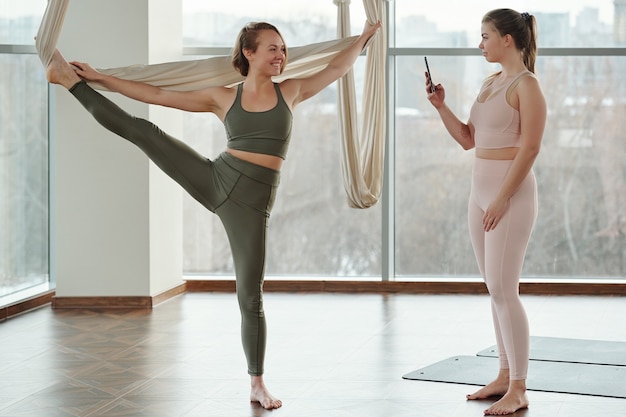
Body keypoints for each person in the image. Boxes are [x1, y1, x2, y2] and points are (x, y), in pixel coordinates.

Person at [45, 20, 381, 410]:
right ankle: (69, 81)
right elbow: (156, 93)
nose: (281, 55)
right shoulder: (223, 97)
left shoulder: (292, 90)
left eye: (283, 48)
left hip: (252, 206)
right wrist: (102, 78)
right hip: (216, 178)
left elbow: (336, 69)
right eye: (272, 48)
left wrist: (363, 38)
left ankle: (257, 382)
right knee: (145, 132)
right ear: (249, 54)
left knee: (249, 295)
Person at [425, 9, 546, 416]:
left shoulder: (527, 86)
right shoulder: (491, 83)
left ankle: (519, 387)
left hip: (509, 197)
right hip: (480, 194)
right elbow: (467, 139)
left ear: (507, 40)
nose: (480, 44)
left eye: (485, 36)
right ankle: (503, 374)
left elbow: (529, 149)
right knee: (493, 289)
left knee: (504, 289)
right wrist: (440, 106)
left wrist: (500, 200)